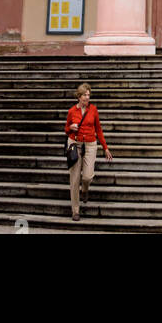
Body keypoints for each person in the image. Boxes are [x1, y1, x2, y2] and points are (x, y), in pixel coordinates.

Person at [64, 82, 112, 222]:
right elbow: (66, 129)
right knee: (74, 180)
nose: (87, 97)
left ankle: (85, 190)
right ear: (79, 96)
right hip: (75, 143)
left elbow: (99, 130)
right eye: (85, 95)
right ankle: (75, 210)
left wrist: (105, 147)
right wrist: (71, 128)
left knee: (87, 177)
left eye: (88, 95)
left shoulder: (93, 110)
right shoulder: (72, 111)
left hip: (90, 144)